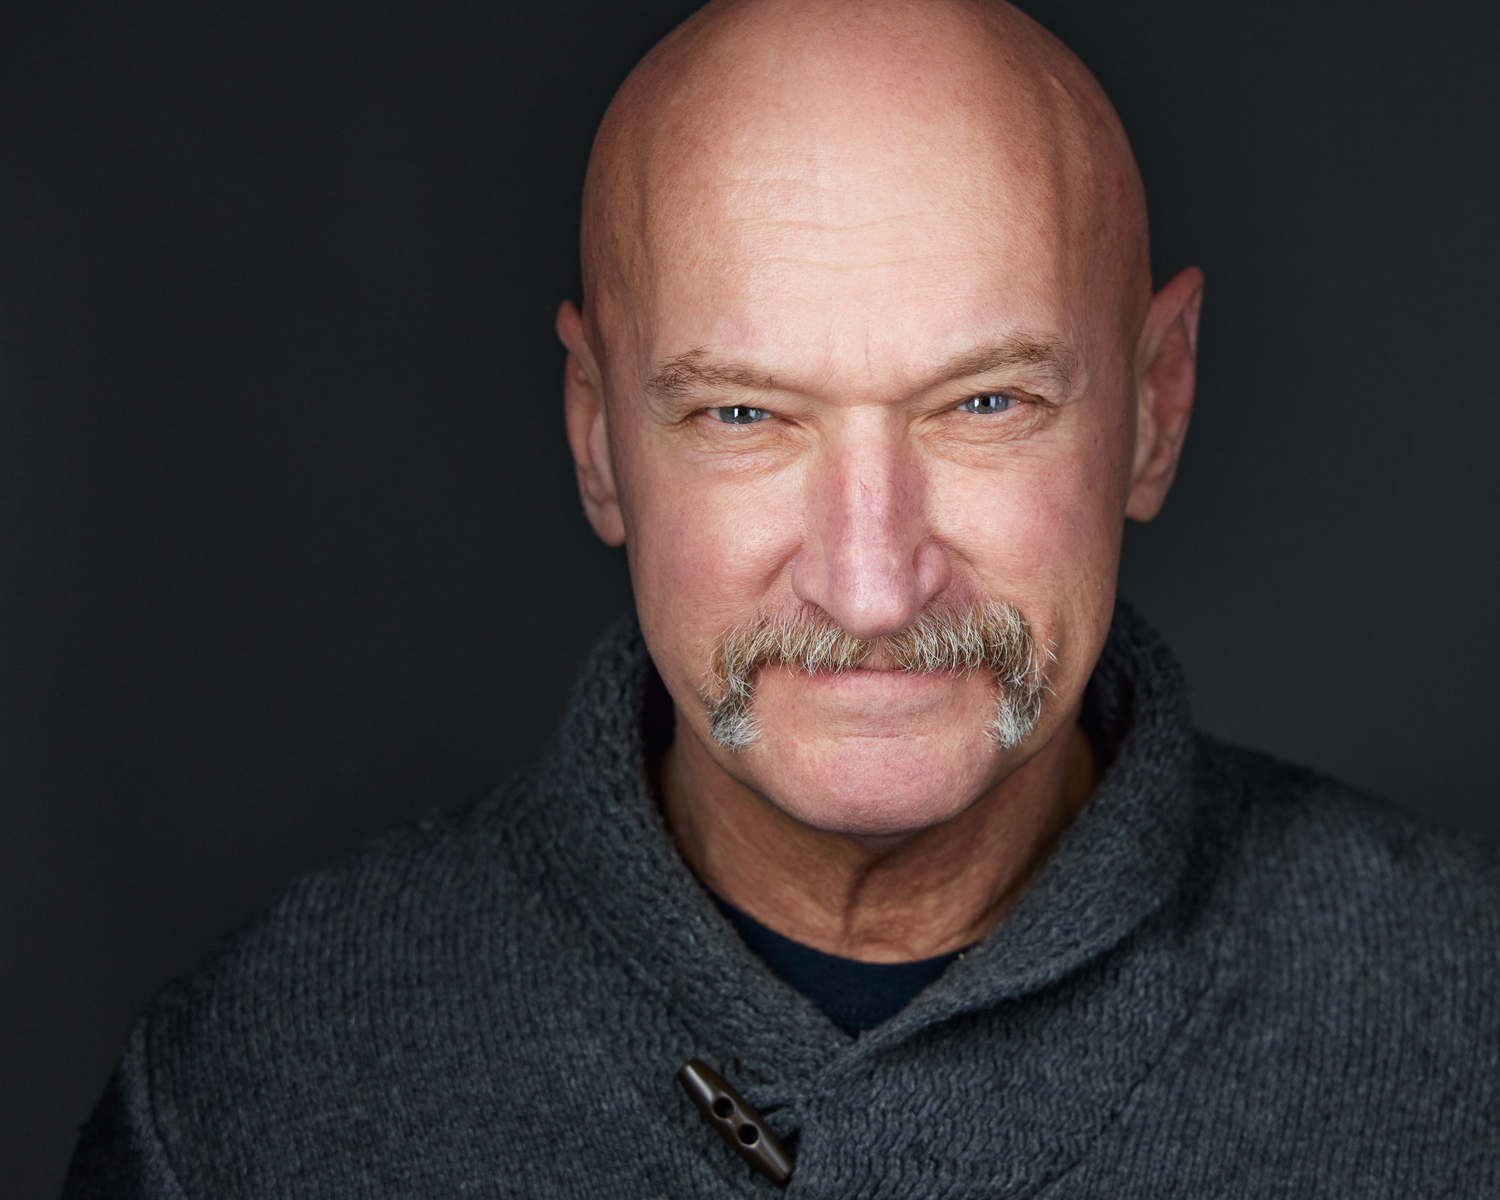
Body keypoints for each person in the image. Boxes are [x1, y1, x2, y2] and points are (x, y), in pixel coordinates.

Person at [64, 0, 1498, 1195]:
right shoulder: (252, 1098)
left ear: (1155, 406)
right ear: (596, 437)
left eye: (985, 403)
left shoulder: (1467, 1044)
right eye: (744, 416)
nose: (870, 586)